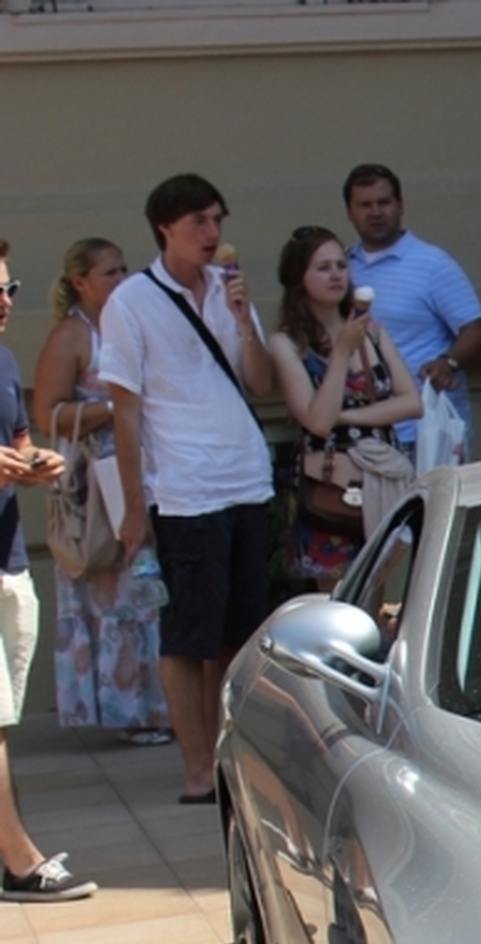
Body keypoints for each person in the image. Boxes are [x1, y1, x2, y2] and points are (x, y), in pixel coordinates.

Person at [97, 173, 277, 805]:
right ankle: (197, 769)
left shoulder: (230, 291)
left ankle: (230, 755)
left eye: (218, 220)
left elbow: (259, 383)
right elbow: (124, 412)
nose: (212, 234)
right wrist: (130, 509)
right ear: (165, 228)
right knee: (187, 634)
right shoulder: (132, 302)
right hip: (182, 488)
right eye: (199, 221)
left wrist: (242, 321)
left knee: (236, 633)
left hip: (245, 478)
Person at [30, 237, 169, 745]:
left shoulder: (131, 324)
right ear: (80, 282)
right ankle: (128, 708)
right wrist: (114, 408)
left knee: (149, 589)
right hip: (100, 482)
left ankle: (159, 705)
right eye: (109, 272)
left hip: (148, 471)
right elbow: (47, 413)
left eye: (124, 269)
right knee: (116, 588)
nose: (122, 279)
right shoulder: (73, 335)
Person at [0, 238, 93, 901]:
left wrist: (39, 465)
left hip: (7, 561)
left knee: (4, 723)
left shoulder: (3, 359)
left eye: (8, 287)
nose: (5, 302)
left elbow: (21, 442)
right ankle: (19, 861)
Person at [267, 226, 423, 590]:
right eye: (322, 268)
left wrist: (346, 417)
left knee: (383, 591)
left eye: (341, 265)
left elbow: (411, 402)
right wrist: (340, 353)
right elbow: (318, 423)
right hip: (329, 486)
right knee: (338, 595)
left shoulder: (372, 332)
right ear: (298, 278)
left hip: (380, 480)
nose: (336, 274)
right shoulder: (287, 343)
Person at [342, 164, 481, 457]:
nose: (375, 212)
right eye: (365, 205)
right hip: (369, 433)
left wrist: (449, 361)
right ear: (350, 212)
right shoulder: (342, 266)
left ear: (401, 205)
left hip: (427, 431)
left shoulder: (432, 263)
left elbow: (479, 333)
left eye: (384, 202)